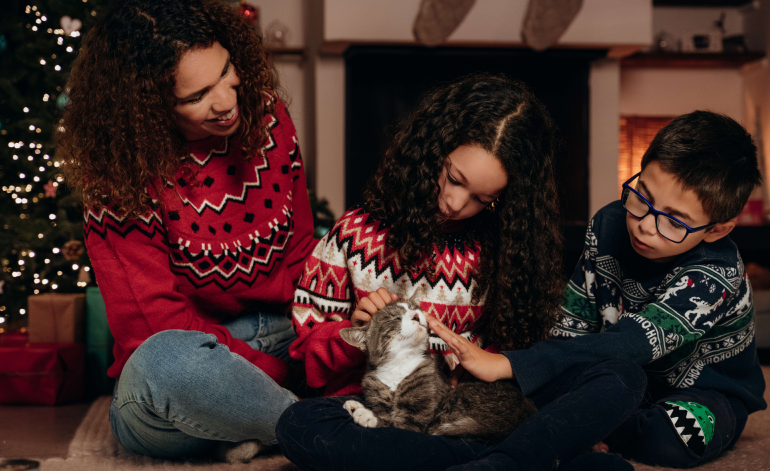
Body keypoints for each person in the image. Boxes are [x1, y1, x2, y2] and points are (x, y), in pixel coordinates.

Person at [275, 74, 643, 470]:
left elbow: (519, 356)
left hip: (473, 411)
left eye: (482, 199)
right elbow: (304, 354)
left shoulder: (506, 250)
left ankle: (493, 456)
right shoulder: (356, 232)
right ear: (432, 149)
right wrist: (356, 333)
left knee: (622, 377)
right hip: (387, 411)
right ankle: (516, 456)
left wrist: (491, 367)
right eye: (453, 178)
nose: (453, 203)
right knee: (300, 424)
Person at [55, 0, 317, 460]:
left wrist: (322, 338)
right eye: (196, 96)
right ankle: (320, 424)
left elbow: (300, 252)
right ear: (148, 106)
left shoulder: (270, 117)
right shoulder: (120, 174)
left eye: (224, 73)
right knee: (165, 365)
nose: (226, 102)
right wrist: (267, 377)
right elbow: (151, 329)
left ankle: (260, 422)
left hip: (279, 333)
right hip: (187, 363)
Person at [427, 110, 767, 470]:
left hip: (701, 392)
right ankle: (583, 422)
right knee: (515, 396)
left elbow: (632, 342)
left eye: (672, 220)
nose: (644, 227)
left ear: (716, 230)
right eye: (643, 196)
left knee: (673, 439)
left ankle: (586, 424)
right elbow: (571, 328)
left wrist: (511, 364)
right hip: (612, 375)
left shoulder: (716, 273)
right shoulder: (609, 224)